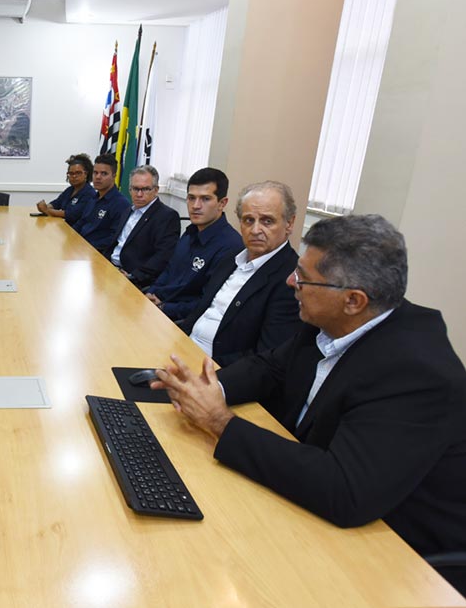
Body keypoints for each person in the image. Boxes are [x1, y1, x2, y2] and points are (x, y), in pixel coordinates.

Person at [153, 215, 466, 571]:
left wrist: (220, 422)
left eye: (303, 277)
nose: (291, 281)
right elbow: (270, 367)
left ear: (353, 300)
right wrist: (208, 388)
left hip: (397, 554)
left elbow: (345, 490)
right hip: (311, 498)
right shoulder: (332, 320)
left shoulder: (417, 374)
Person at [179, 180, 300, 367]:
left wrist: (200, 368)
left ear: (289, 223)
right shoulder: (231, 258)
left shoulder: (291, 280)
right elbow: (199, 312)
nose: (255, 230)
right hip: (184, 350)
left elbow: (267, 357)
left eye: (267, 221)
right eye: (248, 220)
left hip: (215, 372)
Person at [145, 168, 243, 320]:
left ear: (222, 203)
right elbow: (169, 271)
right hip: (157, 308)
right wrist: (151, 293)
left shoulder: (231, 246)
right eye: (191, 198)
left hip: (181, 321)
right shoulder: (190, 232)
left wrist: (164, 307)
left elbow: (208, 302)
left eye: (205, 199)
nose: (195, 206)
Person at [107, 166, 180, 288]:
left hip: (132, 279)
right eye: (135, 189)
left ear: (156, 190)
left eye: (145, 189)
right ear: (129, 189)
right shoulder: (127, 211)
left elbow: (162, 257)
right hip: (110, 268)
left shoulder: (167, 216)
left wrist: (133, 276)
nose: (139, 194)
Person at [72, 153, 131, 254]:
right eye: (95, 173)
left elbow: (114, 238)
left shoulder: (121, 203)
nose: (98, 177)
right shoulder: (93, 198)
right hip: (80, 248)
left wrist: (85, 246)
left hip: (97, 254)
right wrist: (69, 236)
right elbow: (81, 222)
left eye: (104, 174)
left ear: (114, 176)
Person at [35, 153, 97, 224]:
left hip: (78, 232)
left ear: (86, 174)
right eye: (71, 173)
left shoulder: (89, 193)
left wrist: (46, 210)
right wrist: (44, 207)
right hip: (65, 227)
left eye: (78, 173)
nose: (74, 176)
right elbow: (56, 203)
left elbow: (70, 214)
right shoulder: (70, 190)